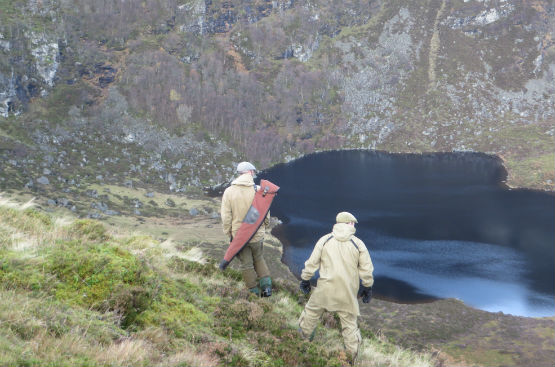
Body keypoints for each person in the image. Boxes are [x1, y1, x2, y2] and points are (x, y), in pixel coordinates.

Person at [298, 211, 374, 362]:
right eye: (352, 223)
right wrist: (367, 287)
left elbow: (312, 262)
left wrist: (305, 279)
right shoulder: (358, 244)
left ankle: (301, 343)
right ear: (349, 223)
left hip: (324, 289)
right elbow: (366, 269)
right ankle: (350, 359)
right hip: (346, 292)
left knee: (311, 314)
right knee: (349, 325)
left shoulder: (325, 240)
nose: (354, 225)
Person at [221, 161, 272, 297]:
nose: (254, 174)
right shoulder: (258, 190)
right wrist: (264, 227)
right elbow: (265, 212)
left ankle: (254, 293)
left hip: (239, 236)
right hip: (257, 234)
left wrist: (229, 233)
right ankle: (267, 288)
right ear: (249, 172)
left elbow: (226, 217)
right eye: (253, 172)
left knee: (246, 264)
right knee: (259, 258)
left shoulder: (229, 191)